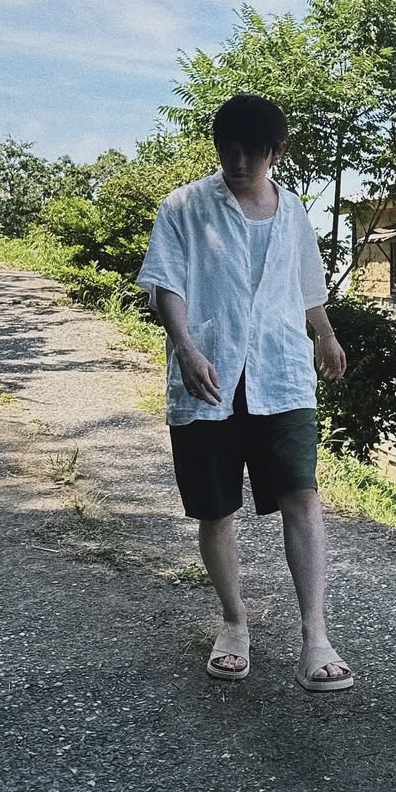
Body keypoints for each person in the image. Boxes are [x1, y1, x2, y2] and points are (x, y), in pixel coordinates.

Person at [137, 93, 354, 692]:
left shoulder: (294, 211)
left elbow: (307, 284)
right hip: (208, 373)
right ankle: (234, 624)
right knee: (215, 509)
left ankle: (316, 637)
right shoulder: (184, 206)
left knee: (302, 495)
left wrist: (326, 336)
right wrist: (185, 349)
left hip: (281, 373)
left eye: (250, 153)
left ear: (275, 152)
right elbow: (165, 284)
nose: (237, 162)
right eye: (227, 149)